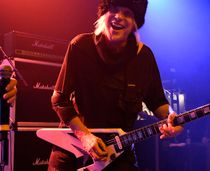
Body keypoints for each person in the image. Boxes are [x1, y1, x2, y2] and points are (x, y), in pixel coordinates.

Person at [47, 0, 183, 170]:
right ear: (104, 13)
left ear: (135, 23)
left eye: (127, 13)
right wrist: (86, 137)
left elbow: (158, 103)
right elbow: (59, 99)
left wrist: (173, 119)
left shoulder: (144, 57)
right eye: (115, 10)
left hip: (119, 154)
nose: (119, 17)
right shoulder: (80, 46)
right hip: (73, 152)